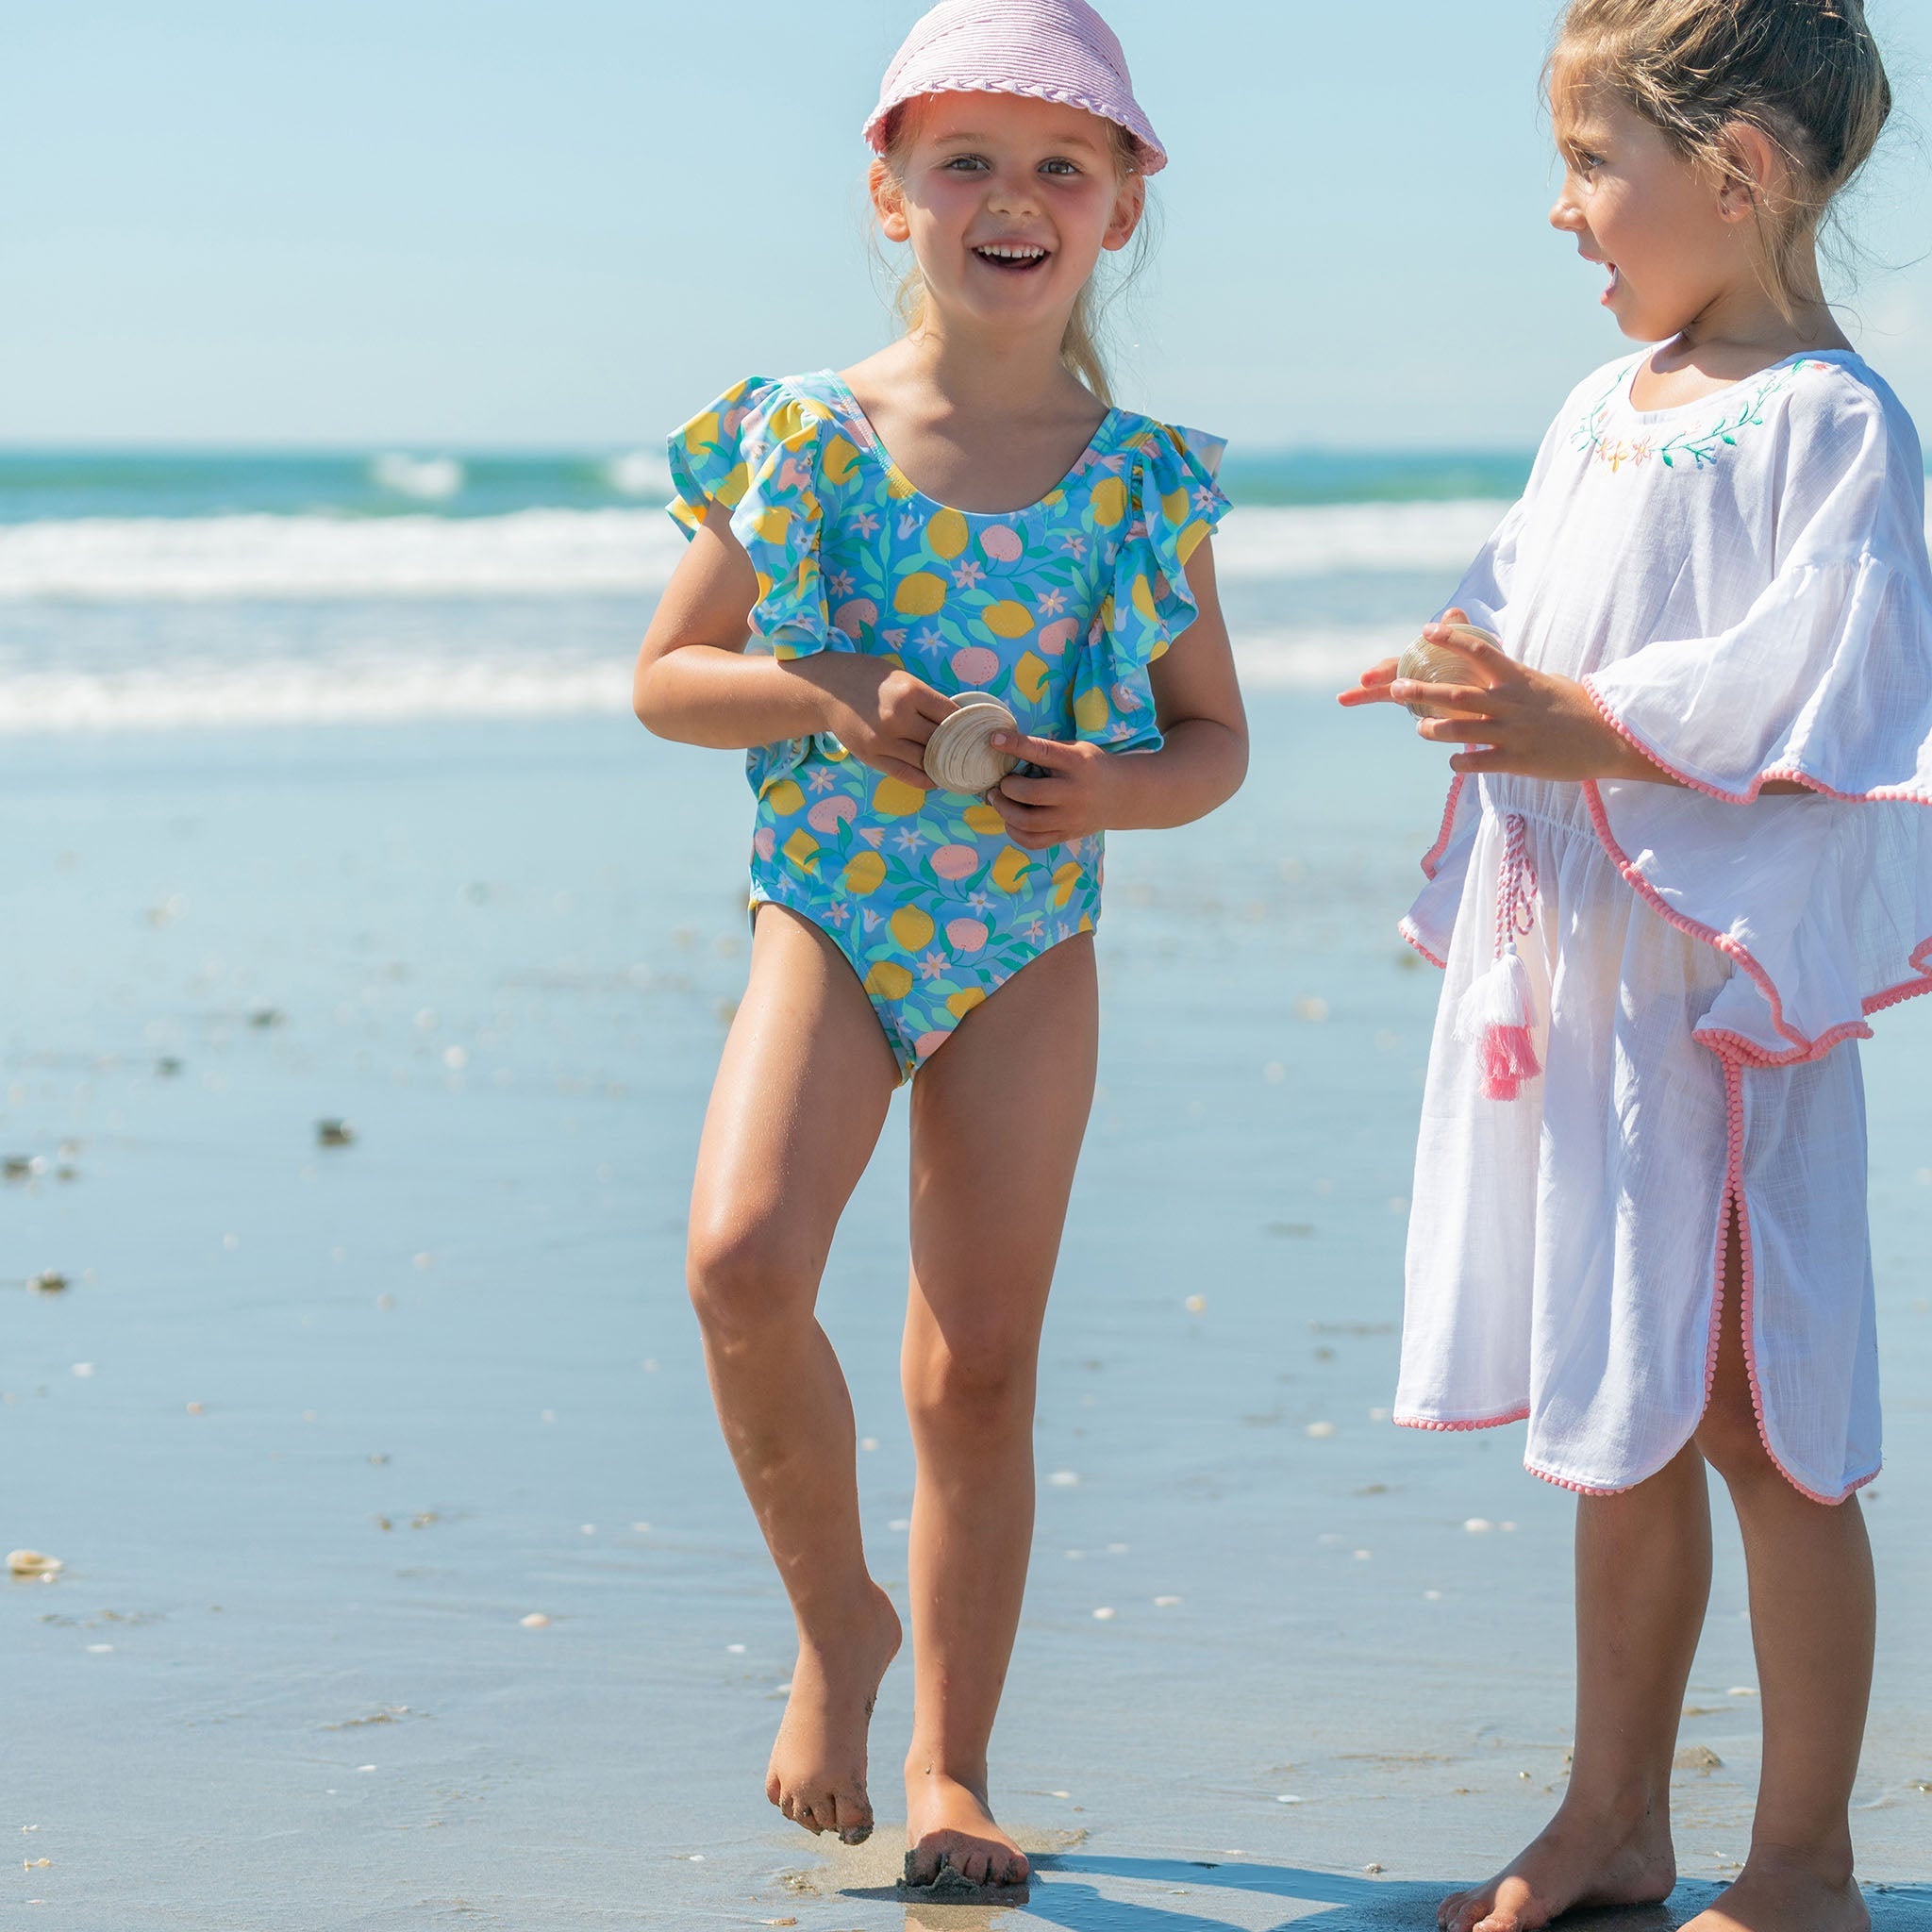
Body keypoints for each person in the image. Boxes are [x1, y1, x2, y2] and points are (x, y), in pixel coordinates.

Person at [633, 0, 1245, 1894]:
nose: (1011, 196)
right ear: (887, 191)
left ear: (1122, 206)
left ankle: (955, 1768)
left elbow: (1211, 741)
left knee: (974, 1368)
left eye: (1062, 162)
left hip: (1022, 940)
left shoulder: (1138, 482)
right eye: (965, 158)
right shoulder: (808, 438)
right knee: (741, 1258)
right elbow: (668, 681)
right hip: (832, 911)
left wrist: (1111, 794)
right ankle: (839, 1623)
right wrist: (819, 681)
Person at [1341, 3, 1924, 1928]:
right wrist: (1460, 659)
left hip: (1721, 997)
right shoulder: (1597, 408)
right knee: (1621, 1405)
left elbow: (1826, 692)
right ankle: (1612, 1818)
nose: (1563, 211)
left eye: (1598, 164)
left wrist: (1586, 723)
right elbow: (1531, 597)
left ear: (1740, 169)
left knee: (1763, 1418)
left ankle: (1806, 1856)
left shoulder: (1832, 424)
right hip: (1584, 992)